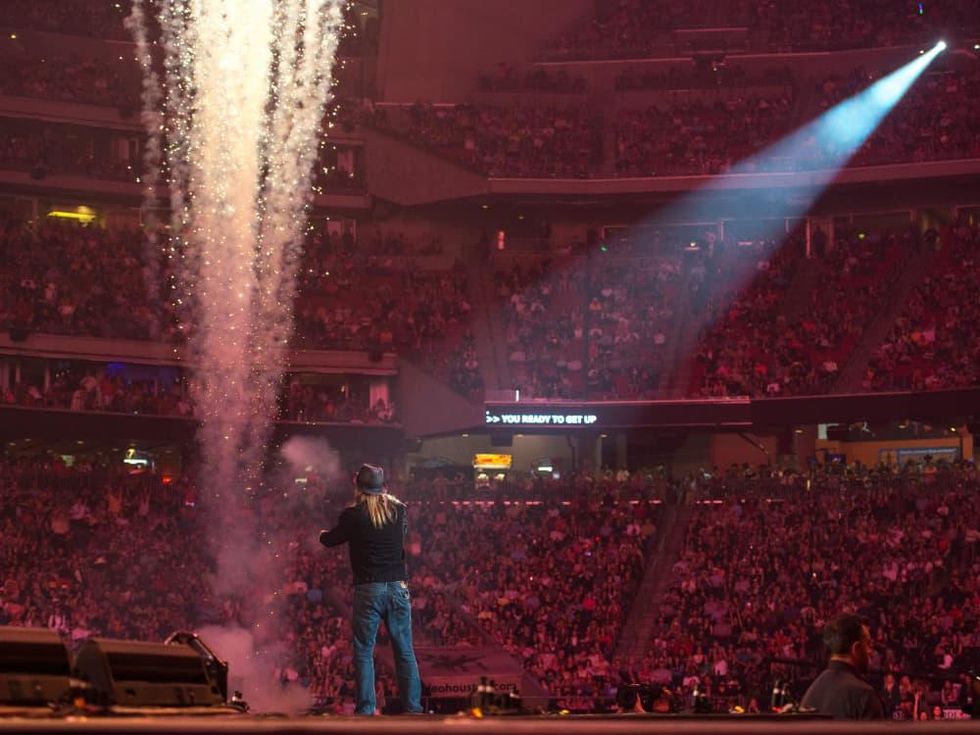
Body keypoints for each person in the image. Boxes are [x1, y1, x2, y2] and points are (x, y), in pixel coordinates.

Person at [319, 464, 423, 715]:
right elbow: (401, 536)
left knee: (364, 650)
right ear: (383, 486)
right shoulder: (399, 510)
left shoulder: (353, 514)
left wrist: (321, 534)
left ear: (358, 487)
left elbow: (330, 540)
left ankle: (366, 709)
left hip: (369, 588)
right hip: (398, 587)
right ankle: (413, 707)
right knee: (404, 649)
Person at [801, 613, 884, 719]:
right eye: (868, 644)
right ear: (856, 648)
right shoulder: (864, 695)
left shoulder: (811, 692)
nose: (870, 652)